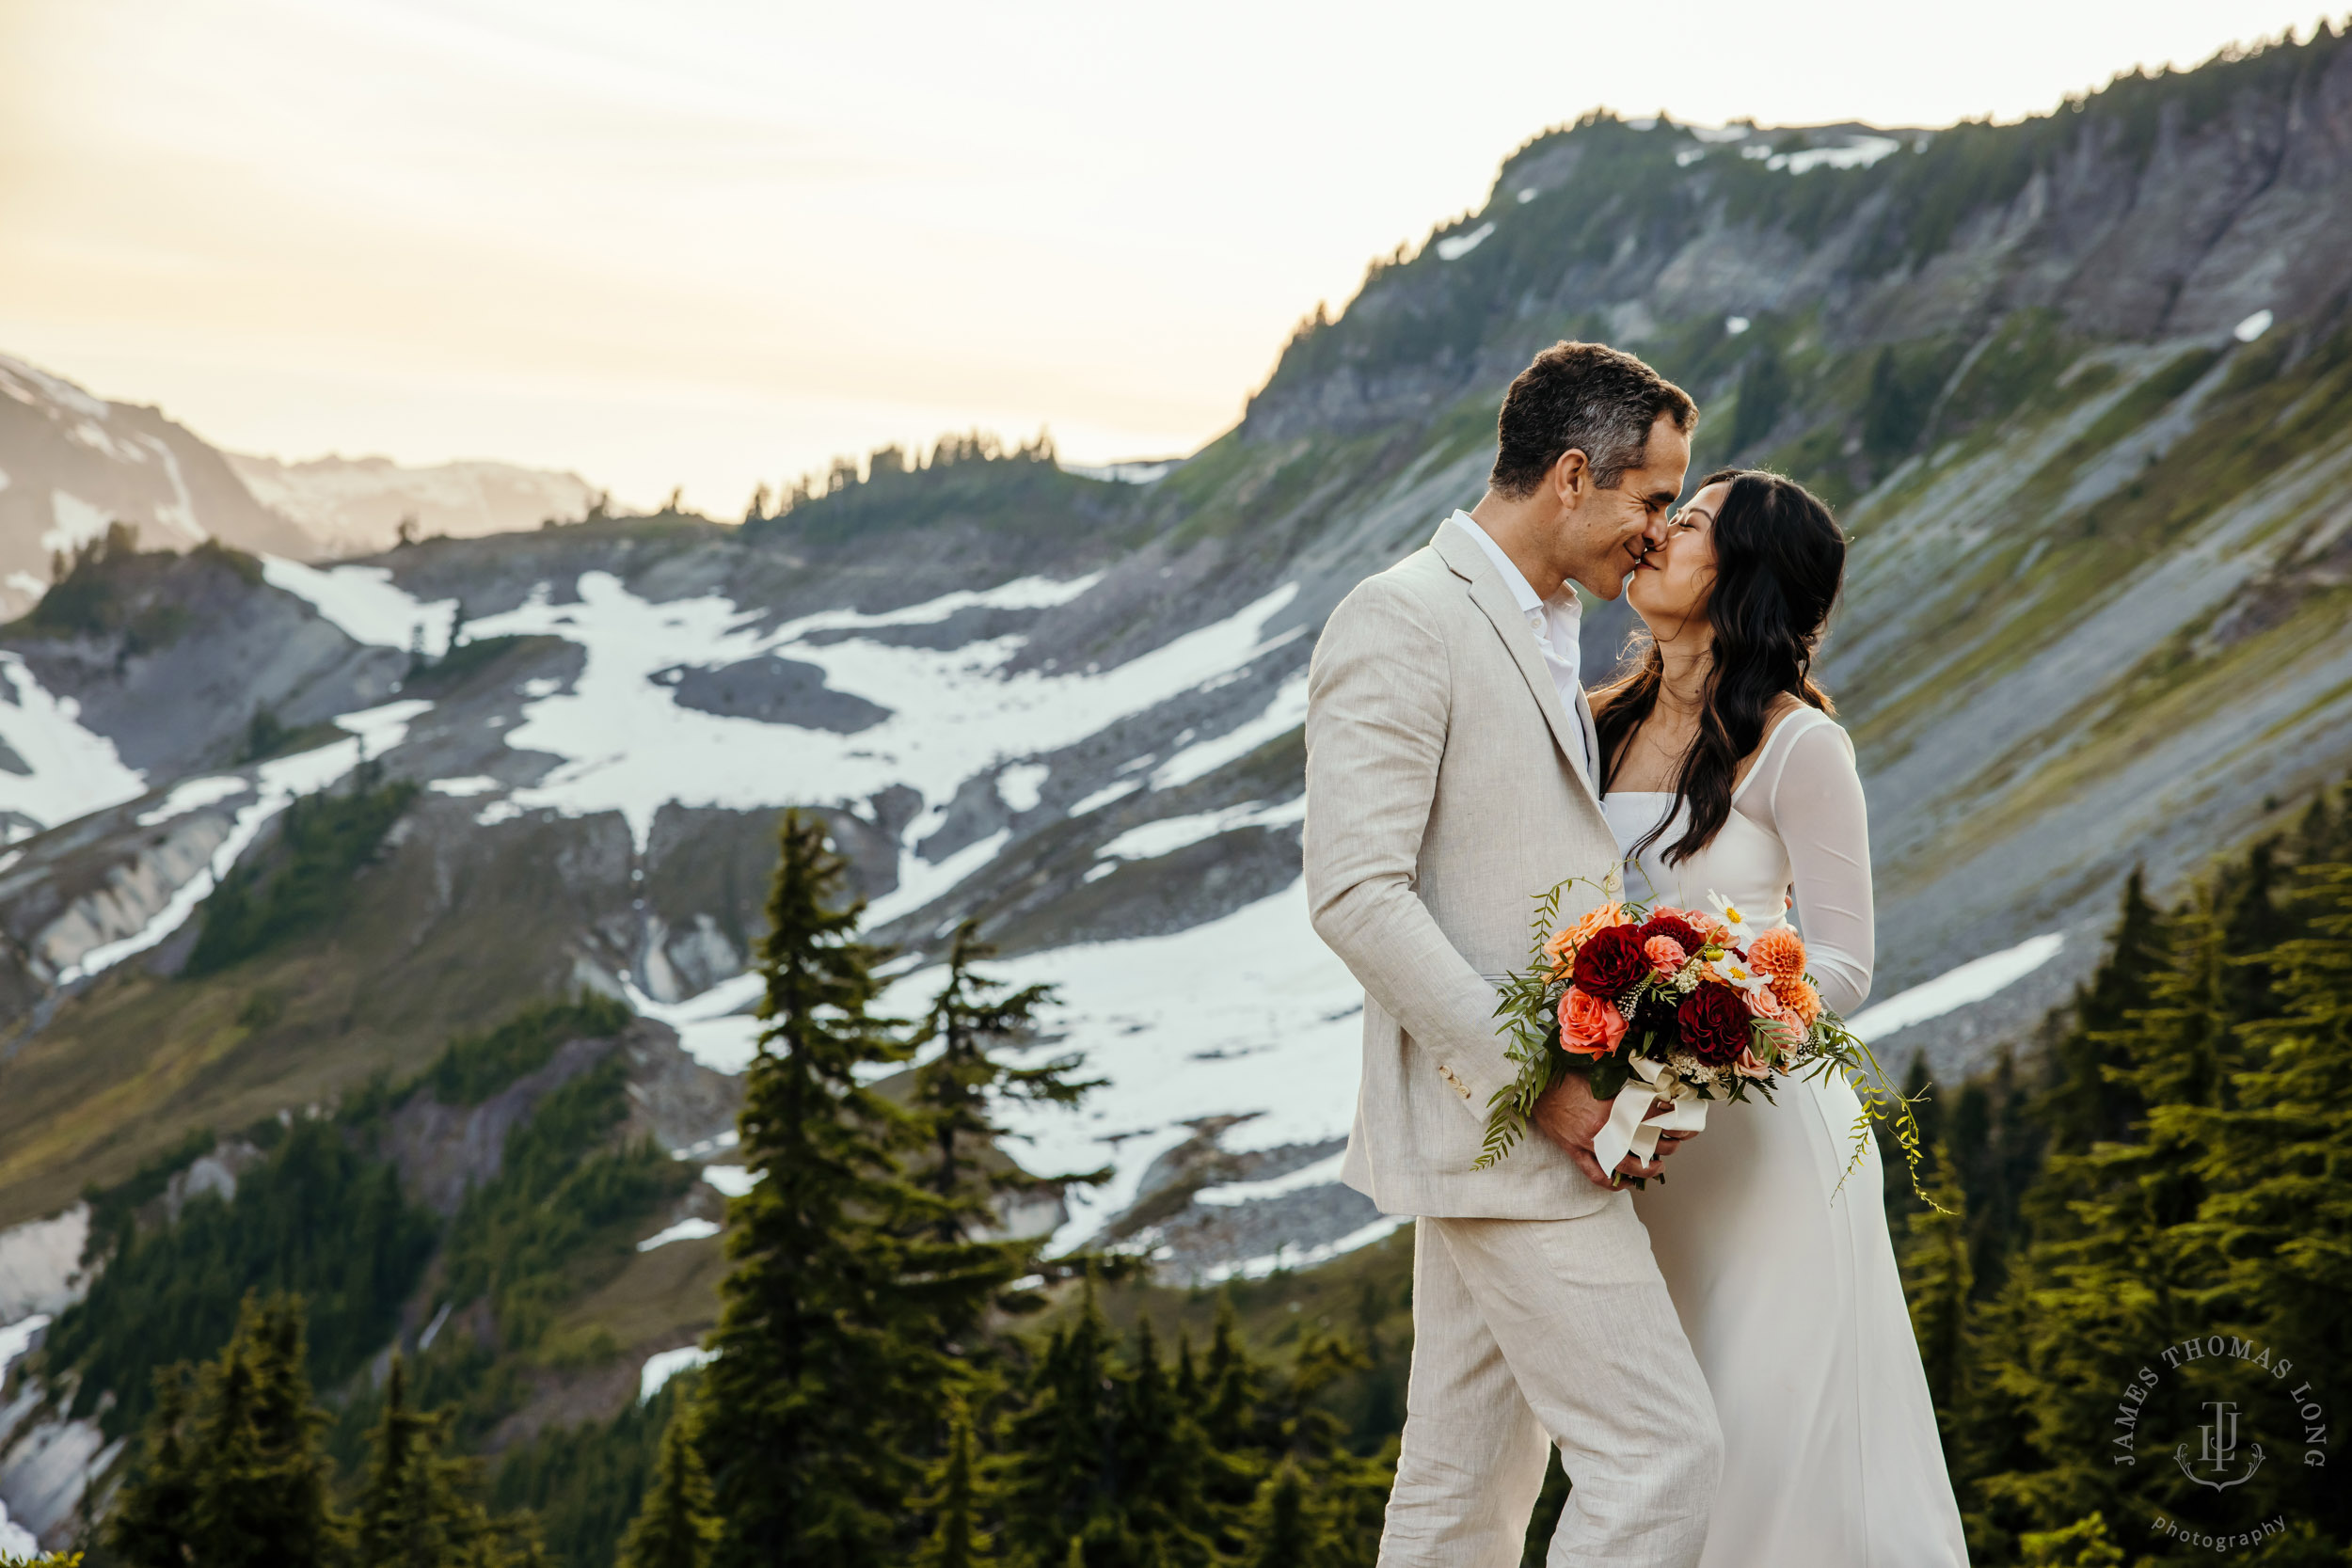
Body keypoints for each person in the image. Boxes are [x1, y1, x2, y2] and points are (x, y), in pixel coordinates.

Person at [1305, 340, 1723, 1568]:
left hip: (1510, 1141)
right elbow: (1356, 891)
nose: (1658, 534)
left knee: (1464, 1490)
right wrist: (1540, 1082)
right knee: (1663, 1455)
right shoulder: (1404, 616)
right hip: (1504, 1128)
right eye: (1653, 500)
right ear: (1572, 476)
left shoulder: (1548, 624)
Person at [1598, 467, 1969, 1566]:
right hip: (1623, 1135)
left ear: (1745, 576)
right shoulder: (1589, 725)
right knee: (1650, 1438)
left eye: (1695, 524)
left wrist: (1710, 1022)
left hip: (1758, 1140)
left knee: (1761, 1431)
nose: (1660, 533)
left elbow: (1845, 958)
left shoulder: (1800, 744)